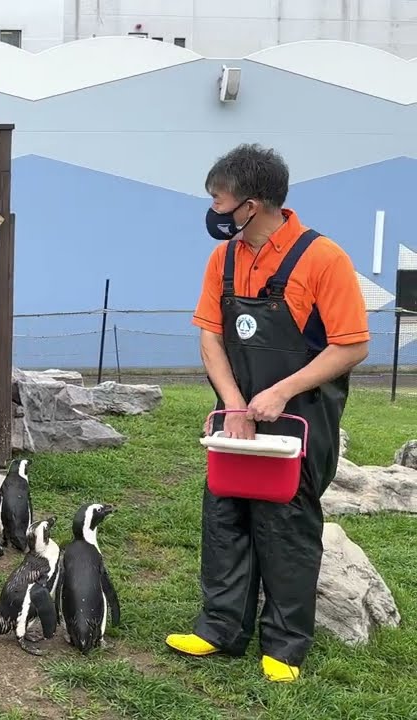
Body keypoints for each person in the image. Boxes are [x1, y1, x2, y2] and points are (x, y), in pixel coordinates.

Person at [167, 144, 370, 682]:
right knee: (225, 515)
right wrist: (233, 404)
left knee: (286, 524)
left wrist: (280, 394)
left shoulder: (323, 259)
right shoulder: (224, 259)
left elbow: (351, 345)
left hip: (300, 419)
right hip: (235, 415)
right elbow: (211, 338)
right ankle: (221, 628)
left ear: (252, 205)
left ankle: (284, 644)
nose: (213, 210)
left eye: (219, 199)